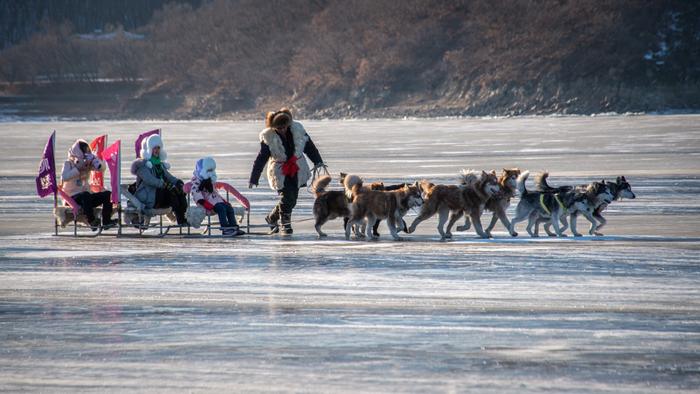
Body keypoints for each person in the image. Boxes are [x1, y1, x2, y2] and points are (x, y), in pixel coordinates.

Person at [249, 108, 325, 235]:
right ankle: (285, 224)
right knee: (287, 197)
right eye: (279, 128)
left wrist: (318, 161)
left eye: (285, 127)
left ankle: (272, 217)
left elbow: (309, 147)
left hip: (296, 168)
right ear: (274, 127)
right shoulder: (268, 137)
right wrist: (254, 178)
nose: (283, 130)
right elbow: (261, 158)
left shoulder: (298, 130)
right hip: (280, 171)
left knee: (292, 199)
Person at [130, 134, 187, 225]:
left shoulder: (159, 164)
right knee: (172, 192)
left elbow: (169, 177)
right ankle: (181, 220)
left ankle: (182, 219)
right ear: (149, 150)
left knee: (179, 192)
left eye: (158, 148)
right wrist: (165, 185)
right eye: (154, 148)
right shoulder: (142, 166)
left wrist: (178, 183)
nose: (156, 150)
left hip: (159, 195)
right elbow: (150, 180)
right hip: (148, 198)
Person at [60, 139, 117, 229]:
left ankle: (106, 221)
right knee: (85, 195)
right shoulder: (68, 164)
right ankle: (92, 221)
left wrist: (95, 160)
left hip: (86, 198)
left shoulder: (87, 163)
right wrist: (78, 169)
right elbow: (64, 177)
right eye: (84, 151)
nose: (86, 153)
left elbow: (102, 169)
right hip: (72, 198)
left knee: (107, 195)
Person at [190, 157, 245, 236]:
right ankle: (225, 228)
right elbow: (199, 198)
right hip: (206, 206)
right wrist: (209, 206)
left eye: (212, 170)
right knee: (221, 209)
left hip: (216, 203)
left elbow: (216, 195)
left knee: (229, 208)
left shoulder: (210, 182)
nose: (211, 173)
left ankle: (233, 226)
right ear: (202, 171)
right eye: (209, 171)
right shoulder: (196, 184)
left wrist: (225, 202)